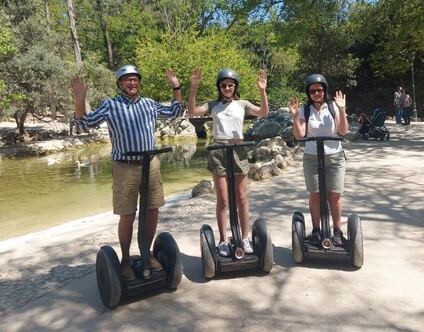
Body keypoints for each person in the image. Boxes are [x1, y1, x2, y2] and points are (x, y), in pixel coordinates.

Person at [71, 64, 182, 280]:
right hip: (124, 167)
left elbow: (175, 112)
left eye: (135, 79)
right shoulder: (110, 105)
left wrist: (176, 86)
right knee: (128, 215)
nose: (132, 83)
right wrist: (79, 99)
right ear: (120, 84)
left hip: (151, 165)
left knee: (152, 211)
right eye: (127, 80)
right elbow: (84, 126)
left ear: (139, 82)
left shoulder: (149, 104)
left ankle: (147, 254)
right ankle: (125, 260)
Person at [188, 67, 269, 256]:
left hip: (238, 150)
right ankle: (224, 240)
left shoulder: (242, 104)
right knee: (223, 199)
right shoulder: (212, 104)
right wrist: (193, 88)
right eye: (223, 85)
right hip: (218, 151)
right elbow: (192, 111)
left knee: (241, 198)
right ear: (219, 87)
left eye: (230, 85)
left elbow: (263, 112)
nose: (227, 88)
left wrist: (262, 90)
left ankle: (245, 237)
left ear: (235, 86)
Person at [288, 74, 349, 247]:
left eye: (319, 90)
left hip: (334, 155)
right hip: (312, 156)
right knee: (315, 194)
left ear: (325, 90)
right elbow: (300, 135)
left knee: (334, 194)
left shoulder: (333, 107)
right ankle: (316, 231)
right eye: (312, 91)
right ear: (308, 93)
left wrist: (342, 110)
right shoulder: (305, 110)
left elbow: (343, 131)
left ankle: (337, 231)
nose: (316, 93)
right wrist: (294, 117)